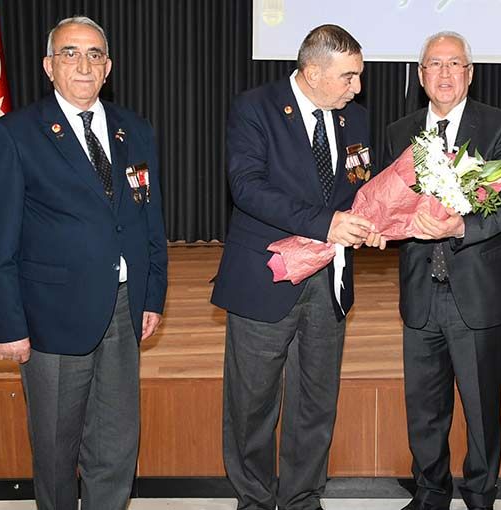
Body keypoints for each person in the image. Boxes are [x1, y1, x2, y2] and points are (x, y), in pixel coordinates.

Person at [0, 16, 168, 510]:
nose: (83, 64)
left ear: (108, 68)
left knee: (116, 440)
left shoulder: (136, 130)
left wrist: (152, 294)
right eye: (70, 53)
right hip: (49, 316)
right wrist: (8, 324)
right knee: (57, 448)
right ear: (49, 66)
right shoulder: (16, 135)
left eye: (94, 55)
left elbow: (149, 219)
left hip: (124, 309)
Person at [211, 24, 382, 510]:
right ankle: (255, 500)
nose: (358, 87)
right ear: (312, 72)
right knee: (252, 405)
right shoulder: (254, 108)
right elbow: (247, 187)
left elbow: (356, 187)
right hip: (267, 279)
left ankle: (303, 497)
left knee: (316, 400)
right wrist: (326, 223)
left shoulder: (356, 119)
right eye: (349, 77)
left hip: (329, 283)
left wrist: (372, 220)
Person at [383, 31, 501, 510]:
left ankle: (481, 494)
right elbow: (388, 207)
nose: (444, 74)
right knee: (424, 409)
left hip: (480, 293)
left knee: (482, 408)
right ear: (421, 76)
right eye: (434, 65)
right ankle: (429, 492)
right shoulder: (398, 132)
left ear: (470, 72)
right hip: (420, 292)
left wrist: (457, 224)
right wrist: (402, 222)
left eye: (454, 64)